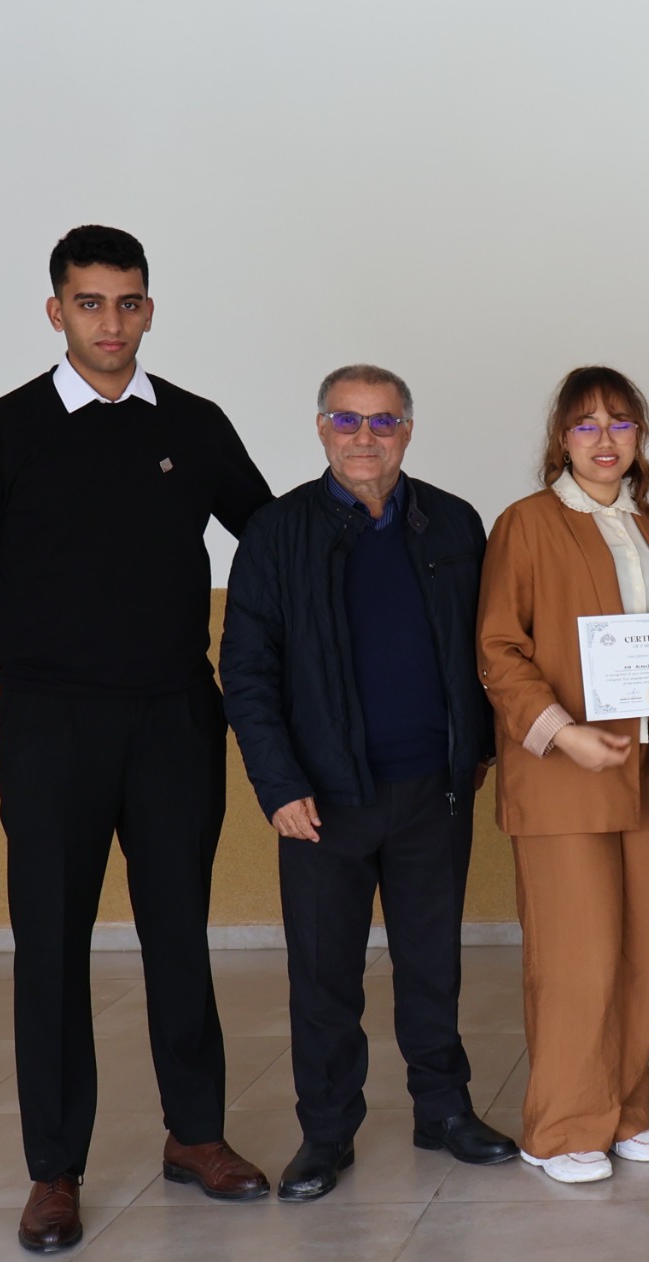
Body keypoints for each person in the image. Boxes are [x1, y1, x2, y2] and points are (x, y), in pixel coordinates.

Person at [0, 225, 275, 1252]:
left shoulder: (194, 425)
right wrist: (29, 660)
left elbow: (275, 537)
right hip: (49, 726)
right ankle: (55, 1169)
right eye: (89, 303)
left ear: (149, 309)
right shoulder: (3, 431)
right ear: (56, 311)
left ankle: (195, 1135)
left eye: (127, 302)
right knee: (52, 943)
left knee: (179, 932)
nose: (109, 322)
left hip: (173, 718)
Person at [220, 363, 521, 1202]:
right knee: (324, 974)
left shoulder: (453, 523)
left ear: (408, 432)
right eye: (347, 422)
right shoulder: (277, 533)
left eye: (382, 423)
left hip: (434, 788)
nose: (365, 438)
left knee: (433, 962)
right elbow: (245, 671)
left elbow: (493, 647)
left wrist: (481, 747)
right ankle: (325, 1132)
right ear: (321, 430)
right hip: (322, 799)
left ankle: (443, 1109)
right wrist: (278, 785)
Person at [477, 367, 649, 1184]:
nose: (604, 439)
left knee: (644, 957)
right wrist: (563, 736)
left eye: (620, 424)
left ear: (640, 439)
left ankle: (624, 1107)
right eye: (586, 425)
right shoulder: (525, 525)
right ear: (561, 438)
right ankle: (561, 1128)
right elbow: (499, 651)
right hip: (565, 776)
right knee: (577, 959)